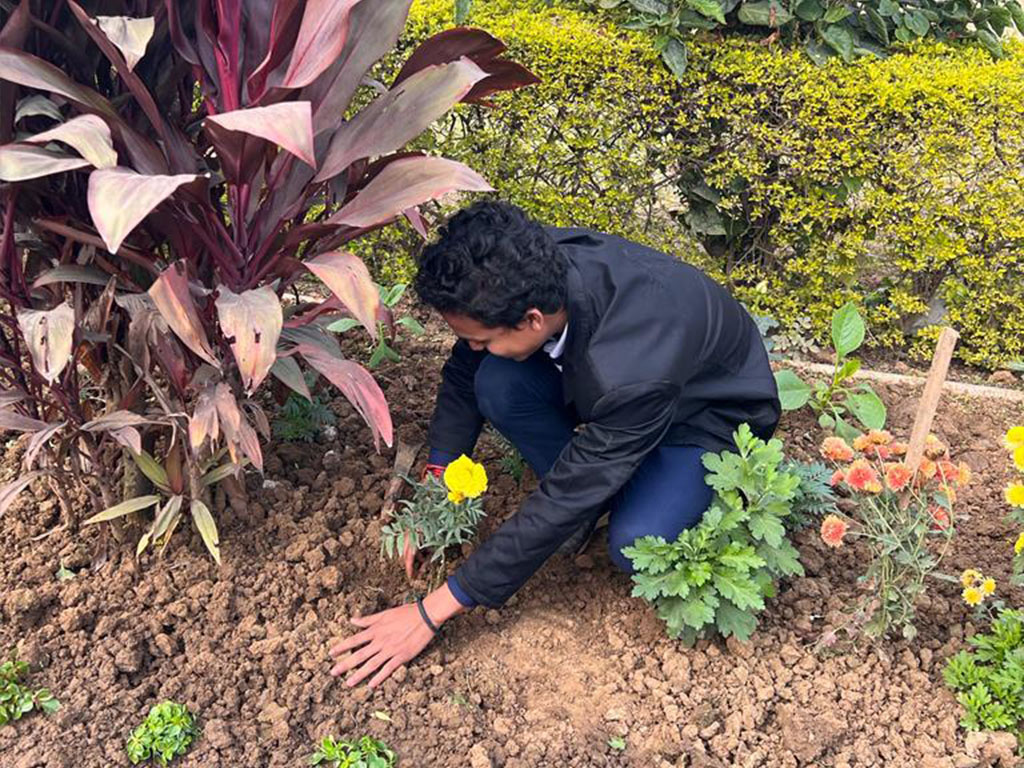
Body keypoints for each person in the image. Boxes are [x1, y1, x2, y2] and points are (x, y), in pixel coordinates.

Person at [328, 201, 780, 688]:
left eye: (481, 339)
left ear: (532, 320)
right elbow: (464, 372)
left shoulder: (629, 367)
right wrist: (438, 480)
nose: (473, 347)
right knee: (496, 382)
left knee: (637, 543)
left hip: (707, 414)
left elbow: (568, 491)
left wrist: (431, 611)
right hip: (632, 389)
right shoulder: (517, 269)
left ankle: (631, 485)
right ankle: (602, 498)